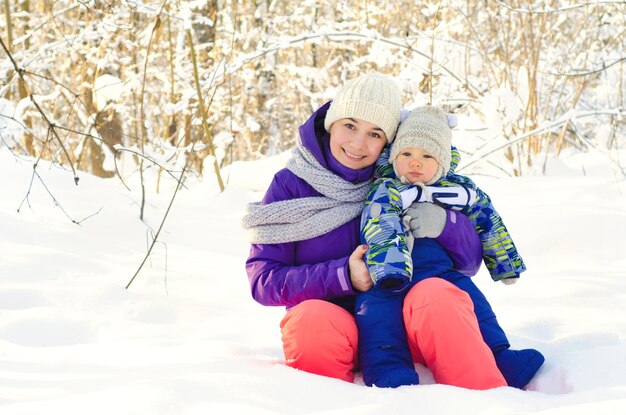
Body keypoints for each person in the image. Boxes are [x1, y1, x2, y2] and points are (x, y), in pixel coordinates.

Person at [242, 73, 507, 390]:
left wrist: (446, 225)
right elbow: (264, 281)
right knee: (311, 320)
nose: (358, 143)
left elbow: (467, 265)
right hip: (334, 334)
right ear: (332, 123)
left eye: (375, 133)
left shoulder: (405, 178)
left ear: (388, 141)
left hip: (404, 331)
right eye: (350, 126)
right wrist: (342, 275)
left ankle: (484, 400)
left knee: (436, 294)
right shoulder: (291, 184)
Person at [358, 105, 544, 389]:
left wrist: (505, 263)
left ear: (443, 161)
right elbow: (379, 221)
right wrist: (391, 267)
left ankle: (498, 355)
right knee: (378, 315)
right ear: (394, 157)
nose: (414, 163)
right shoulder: (387, 188)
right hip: (390, 274)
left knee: (474, 304)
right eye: (406, 153)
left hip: (441, 272)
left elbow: (489, 221)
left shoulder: (459, 190)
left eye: (426, 155)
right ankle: (387, 368)